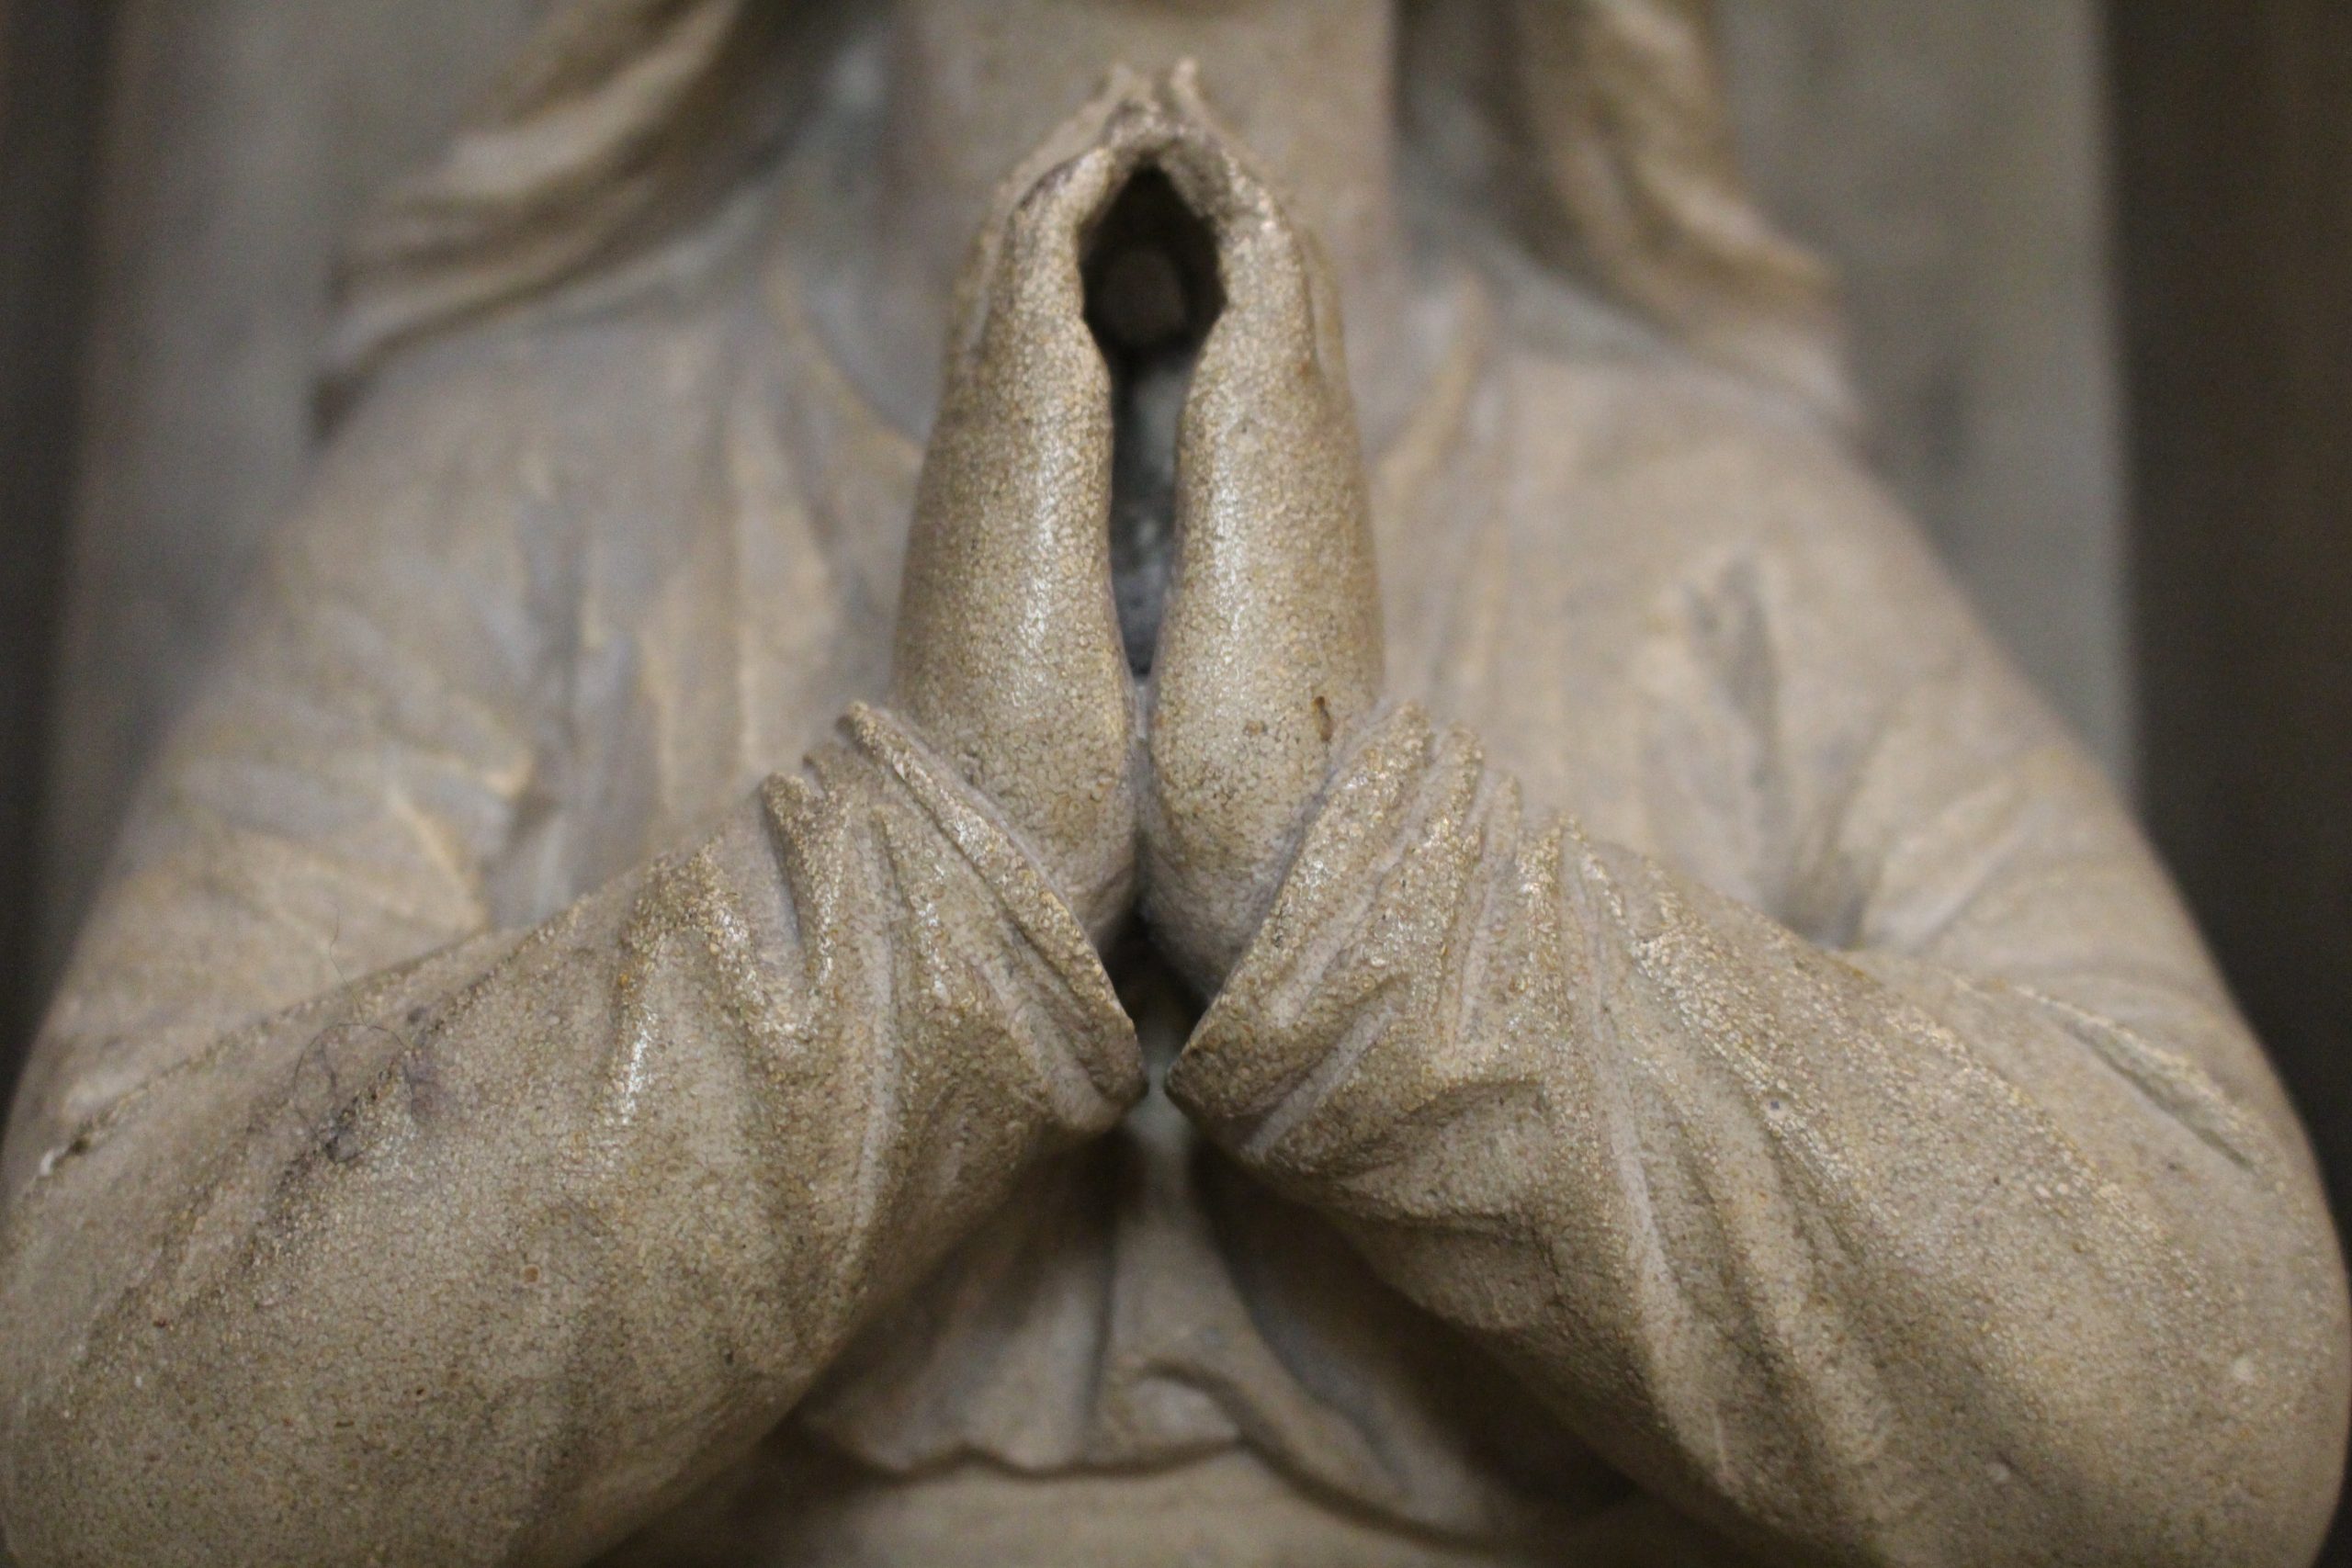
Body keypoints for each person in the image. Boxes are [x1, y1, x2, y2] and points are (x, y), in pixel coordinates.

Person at [3, 3, 2343, 1563]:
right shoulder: (531, 476)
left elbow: (2209, 1405)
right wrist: (937, 882)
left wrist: (1358, 903)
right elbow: (96, 1424)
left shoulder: (1698, 522)